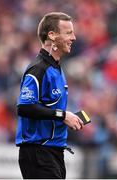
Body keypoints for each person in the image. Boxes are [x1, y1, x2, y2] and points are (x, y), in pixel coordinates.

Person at [15, 12, 84, 179]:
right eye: (68, 32)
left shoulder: (57, 68)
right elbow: (24, 107)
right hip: (38, 153)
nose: (74, 37)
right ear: (52, 36)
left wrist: (69, 118)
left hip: (54, 152)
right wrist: (62, 116)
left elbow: (48, 109)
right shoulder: (38, 68)